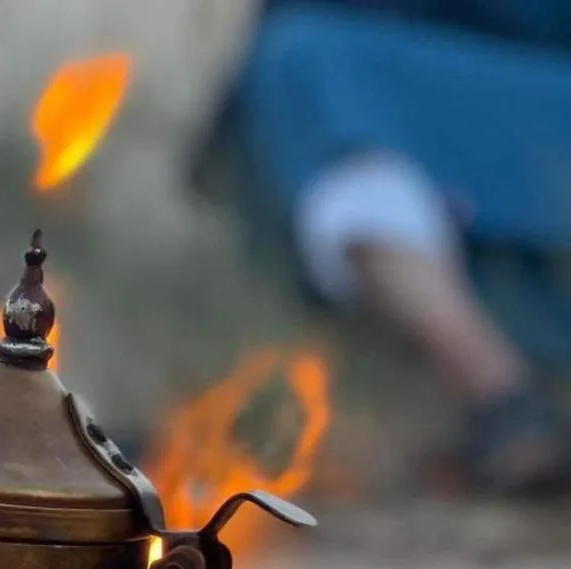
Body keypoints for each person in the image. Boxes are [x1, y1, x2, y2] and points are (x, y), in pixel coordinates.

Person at [198, 1, 571, 496]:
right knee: (314, 76)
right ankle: (505, 398)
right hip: (410, 98)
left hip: (530, 101)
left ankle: (506, 398)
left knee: (314, 70)